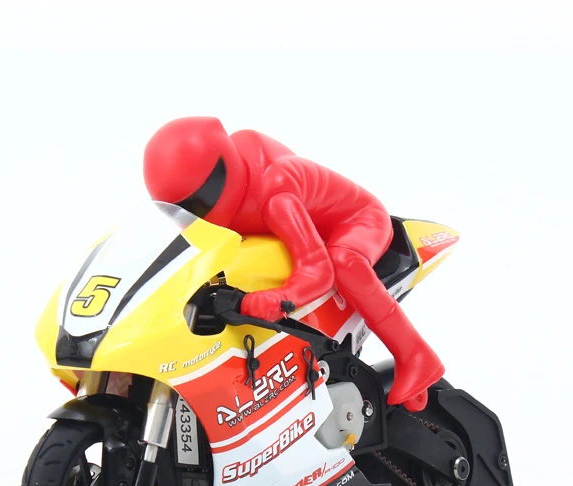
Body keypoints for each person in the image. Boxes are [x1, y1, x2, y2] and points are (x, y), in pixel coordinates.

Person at [143, 117, 443, 411]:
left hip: (358, 221)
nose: (191, 219)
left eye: (197, 204)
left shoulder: (273, 194)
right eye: (177, 212)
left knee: (343, 262)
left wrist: (279, 298)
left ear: (220, 174)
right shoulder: (214, 210)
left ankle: (416, 356)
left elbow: (318, 270)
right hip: (300, 231)